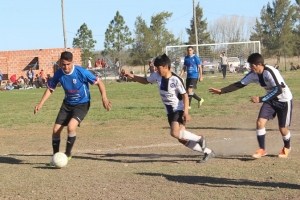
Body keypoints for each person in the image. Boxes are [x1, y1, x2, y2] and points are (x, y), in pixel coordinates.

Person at [122, 54, 215, 163]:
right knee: (181, 138)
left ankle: (199, 138)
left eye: (158, 67)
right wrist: (130, 76)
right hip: (169, 111)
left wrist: (185, 112)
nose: (156, 69)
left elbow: (185, 95)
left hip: (178, 109)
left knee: (174, 133)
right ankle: (208, 152)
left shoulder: (176, 79)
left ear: (166, 66)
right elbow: (145, 81)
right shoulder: (157, 76)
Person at [34, 51, 112, 165]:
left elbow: (99, 83)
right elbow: (50, 88)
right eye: (63, 64)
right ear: (60, 63)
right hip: (67, 104)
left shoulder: (82, 72)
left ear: (72, 62)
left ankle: (68, 153)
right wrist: (40, 104)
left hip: (82, 104)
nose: (65, 67)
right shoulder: (59, 73)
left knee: (71, 127)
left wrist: (104, 98)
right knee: (55, 131)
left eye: (68, 64)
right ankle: (55, 157)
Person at [209, 53, 293, 159]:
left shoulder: (270, 72)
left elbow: (278, 89)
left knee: (282, 128)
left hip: (284, 100)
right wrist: (221, 91)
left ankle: (287, 147)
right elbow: (240, 84)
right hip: (270, 100)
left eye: (252, 66)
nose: (250, 68)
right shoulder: (253, 74)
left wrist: (261, 99)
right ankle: (262, 149)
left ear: (259, 64)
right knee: (260, 122)